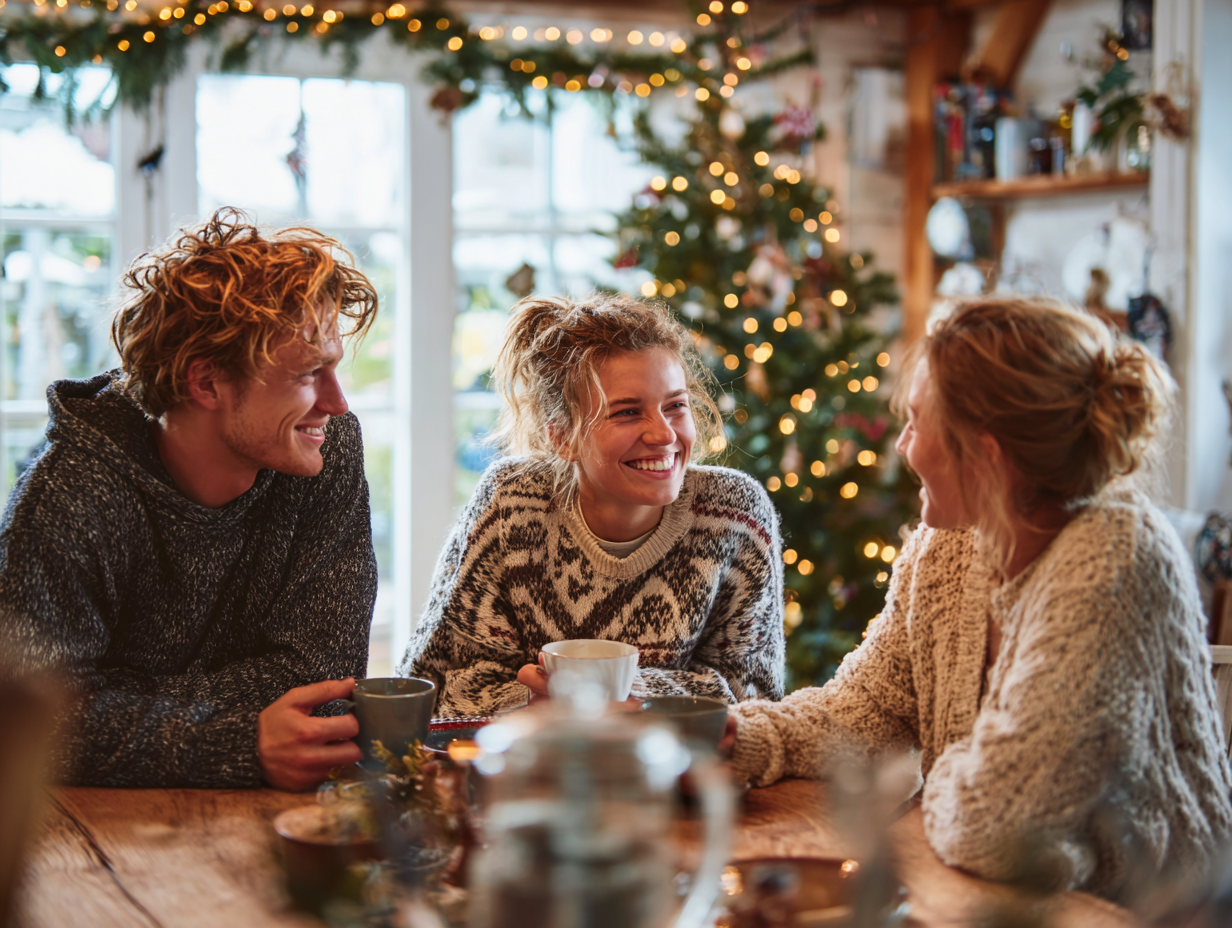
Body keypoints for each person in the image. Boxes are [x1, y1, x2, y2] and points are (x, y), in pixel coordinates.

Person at [726, 298, 1232, 902]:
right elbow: (861, 714)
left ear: (986, 455)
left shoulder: (1114, 560)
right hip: (997, 895)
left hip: (1141, 911)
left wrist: (932, 785)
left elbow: (995, 825)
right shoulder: (948, 544)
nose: (902, 446)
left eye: (917, 424)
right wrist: (740, 738)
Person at [0, 209, 380, 791]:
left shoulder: (326, 453)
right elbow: (29, 720)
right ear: (206, 383)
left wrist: (117, 699)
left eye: (334, 368)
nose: (338, 402)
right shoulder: (70, 495)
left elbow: (324, 681)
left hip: (270, 822)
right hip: (86, 839)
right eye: (309, 374)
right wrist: (232, 738)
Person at [401, 293, 785, 717]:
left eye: (675, 406)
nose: (663, 435)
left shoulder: (736, 515)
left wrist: (615, 693)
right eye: (626, 413)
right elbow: (431, 687)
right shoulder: (511, 504)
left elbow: (755, 703)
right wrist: (535, 703)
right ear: (561, 437)